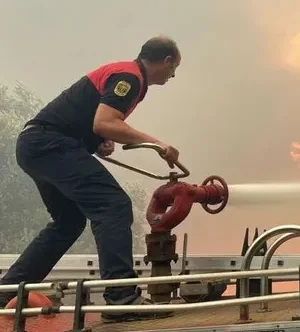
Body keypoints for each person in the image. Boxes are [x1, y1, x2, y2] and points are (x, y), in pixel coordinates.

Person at [0, 35, 182, 323]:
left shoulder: (126, 74)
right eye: (174, 69)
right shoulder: (130, 77)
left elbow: (94, 122)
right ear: (167, 60)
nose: (173, 76)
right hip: (50, 143)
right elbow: (105, 121)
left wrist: (96, 141)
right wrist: (158, 144)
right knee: (114, 205)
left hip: (36, 144)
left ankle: (8, 289)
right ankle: (121, 298)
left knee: (69, 222)